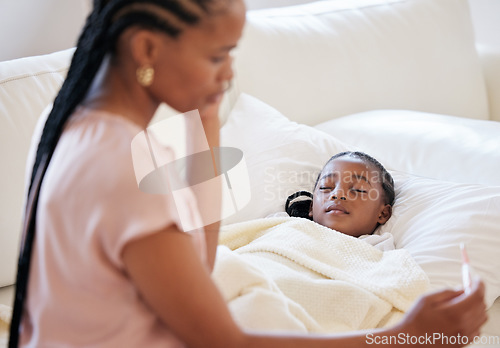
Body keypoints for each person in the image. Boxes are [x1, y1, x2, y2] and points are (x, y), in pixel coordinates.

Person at [9, 0, 487, 347]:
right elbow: (226, 342)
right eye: (217, 55)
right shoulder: (122, 173)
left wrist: (206, 119)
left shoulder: (71, 122)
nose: (229, 73)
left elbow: (200, 255)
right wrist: (404, 338)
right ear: (148, 48)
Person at [285, 151, 394, 237]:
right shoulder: (283, 227)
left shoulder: (385, 256)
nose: (337, 194)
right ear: (311, 207)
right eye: (326, 187)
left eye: (358, 189)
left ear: (383, 213)